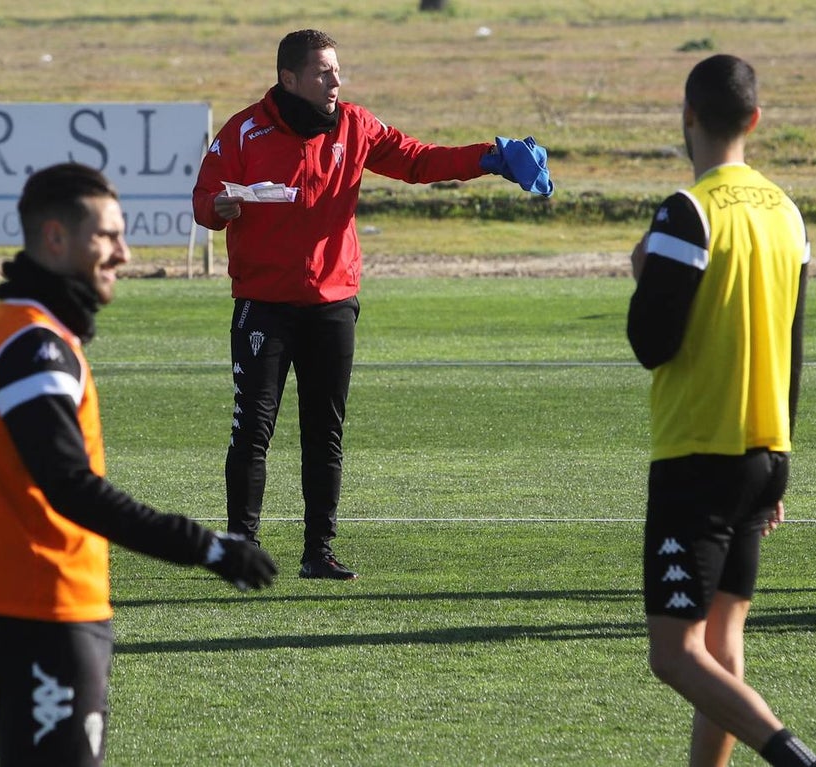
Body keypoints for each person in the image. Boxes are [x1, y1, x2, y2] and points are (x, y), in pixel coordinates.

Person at [0, 162, 277, 767]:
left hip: (24, 607)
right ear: (55, 238)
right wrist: (206, 547)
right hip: (45, 609)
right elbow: (69, 486)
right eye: (106, 236)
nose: (124, 254)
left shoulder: (10, 329)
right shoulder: (35, 347)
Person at [192, 28, 552, 580]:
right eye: (322, 72)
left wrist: (490, 157)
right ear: (289, 79)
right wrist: (222, 205)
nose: (335, 80)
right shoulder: (245, 131)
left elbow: (418, 160)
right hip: (263, 305)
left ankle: (318, 553)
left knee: (324, 430)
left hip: (334, 303)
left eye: (336, 70)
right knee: (252, 429)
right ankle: (241, 552)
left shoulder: (356, 126)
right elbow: (204, 200)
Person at [627, 55, 816, 767]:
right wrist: (782, 460)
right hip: (764, 448)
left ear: (687, 115)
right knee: (721, 643)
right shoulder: (787, 212)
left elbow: (651, 343)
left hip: (696, 456)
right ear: (755, 120)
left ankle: (797, 758)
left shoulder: (689, 210)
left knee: (675, 655)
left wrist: (643, 270)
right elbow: (794, 347)